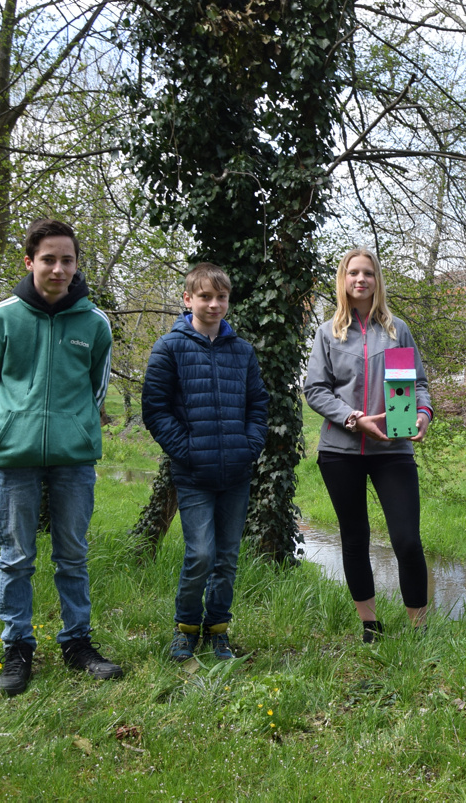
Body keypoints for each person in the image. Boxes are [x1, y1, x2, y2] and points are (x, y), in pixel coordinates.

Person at [0, 218, 122, 696]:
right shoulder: (0, 317)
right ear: (30, 262)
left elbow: (98, 387)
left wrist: (75, 427)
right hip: (13, 458)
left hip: (73, 457)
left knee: (73, 556)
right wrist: (10, 426)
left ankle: (77, 642)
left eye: (67, 260)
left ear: (77, 265)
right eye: (48, 259)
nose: (59, 269)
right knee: (15, 557)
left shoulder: (94, 323)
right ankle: (17, 649)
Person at [303, 247, 433, 643]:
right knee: (355, 537)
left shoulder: (397, 330)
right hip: (341, 451)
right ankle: (370, 626)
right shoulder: (328, 333)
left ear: (378, 281)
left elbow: (419, 385)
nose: (361, 279)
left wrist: (423, 414)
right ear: (343, 280)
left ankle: (419, 630)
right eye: (353, 273)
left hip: (392, 450)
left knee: (407, 540)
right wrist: (354, 419)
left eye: (368, 273)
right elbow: (314, 389)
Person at [141, 263, 269, 662]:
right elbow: (155, 410)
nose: (214, 304)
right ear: (188, 299)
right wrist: (188, 450)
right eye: (205, 297)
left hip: (235, 472)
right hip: (193, 473)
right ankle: (184, 629)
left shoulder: (242, 352)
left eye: (221, 297)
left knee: (227, 557)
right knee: (200, 554)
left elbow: (258, 406)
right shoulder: (169, 347)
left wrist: (249, 446)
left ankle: (217, 629)